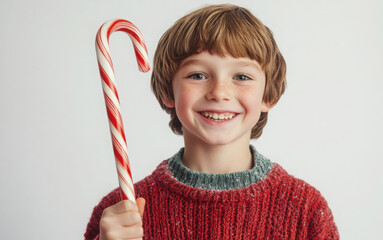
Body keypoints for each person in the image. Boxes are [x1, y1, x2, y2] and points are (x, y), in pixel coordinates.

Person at [85, 4, 339, 239]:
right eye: (197, 75)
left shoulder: (306, 210)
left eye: (241, 76)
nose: (219, 92)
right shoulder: (118, 214)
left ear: (269, 95)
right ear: (167, 91)